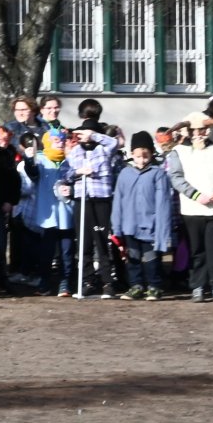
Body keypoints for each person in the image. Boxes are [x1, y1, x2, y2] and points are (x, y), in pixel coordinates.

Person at [167, 111, 213, 302]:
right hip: (192, 209)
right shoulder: (179, 152)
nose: (198, 133)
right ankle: (197, 287)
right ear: (188, 131)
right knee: (197, 251)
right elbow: (176, 178)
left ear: (208, 129)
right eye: (193, 130)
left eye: (202, 129)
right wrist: (196, 195)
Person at [113, 133, 174, 300]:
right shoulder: (125, 174)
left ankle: (154, 286)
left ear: (151, 154)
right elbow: (118, 200)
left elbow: (163, 203)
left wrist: (162, 229)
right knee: (132, 258)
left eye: (145, 156)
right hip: (130, 225)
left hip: (151, 225)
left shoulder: (158, 174)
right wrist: (116, 226)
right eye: (138, 156)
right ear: (132, 154)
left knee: (151, 259)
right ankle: (136, 285)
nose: (141, 160)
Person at [18, 127, 78, 297]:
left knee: (67, 251)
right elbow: (33, 173)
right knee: (46, 251)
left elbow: (77, 182)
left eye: (62, 140)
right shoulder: (41, 159)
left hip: (67, 213)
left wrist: (71, 190)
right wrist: (29, 159)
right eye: (56, 141)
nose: (60, 144)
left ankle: (65, 282)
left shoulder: (71, 159)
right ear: (48, 142)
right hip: (48, 214)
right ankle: (45, 282)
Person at [66, 123, 121, 298]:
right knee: (84, 243)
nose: (84, 137)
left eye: (86, 134)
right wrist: (76, 172)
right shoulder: (74, 152)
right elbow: (65, 174)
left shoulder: (104, 149)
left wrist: (94, 135)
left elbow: (115, 143)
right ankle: (88, 280)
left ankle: (107, 283)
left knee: (102, 241)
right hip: (82, 200)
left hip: (101, 201)